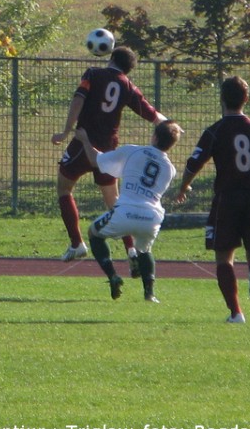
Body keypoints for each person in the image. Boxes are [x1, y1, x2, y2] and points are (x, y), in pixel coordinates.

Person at [175, 76, 250, 323]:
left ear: (221, 98)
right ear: (246, 99)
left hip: (227, 198)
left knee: (223, 257)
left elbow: (192, 164)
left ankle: (236, 313)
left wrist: (184, 186)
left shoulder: (215, 131)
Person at [51, 46, 167, 273]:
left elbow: (78, 100)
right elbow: (152, 114)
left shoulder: (93, 73)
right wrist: (171, 126)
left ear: (111, 57)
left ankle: (77, 244)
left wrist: (66, 131)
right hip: (109, 150)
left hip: (83, 143)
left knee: (64, 188)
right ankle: (131, 251)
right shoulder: (128, 86)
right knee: (114, 202)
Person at [75, 121, 182, 302]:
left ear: (154, 137)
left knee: (94, 233)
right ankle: (149, 293)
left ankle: (113, 276)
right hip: (152, 217)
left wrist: (84, 140)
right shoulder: (170, 169)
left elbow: (95, 160)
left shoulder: (133, 151)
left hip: (125, 211)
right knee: (144, 249)